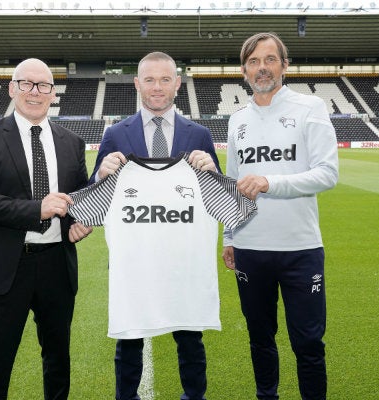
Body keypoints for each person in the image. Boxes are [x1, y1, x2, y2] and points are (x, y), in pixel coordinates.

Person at [0, 58, 92, 400]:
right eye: (27, 84)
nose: (35, 92)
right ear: (12, 88)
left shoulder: (72, 142)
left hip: (56, 264)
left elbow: (76, 198)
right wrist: (37, 209)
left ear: (53, 92)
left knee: (58, 358)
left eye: (43, 85)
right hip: (2, 267)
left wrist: (80, 222)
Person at [89, 51, 220, 400]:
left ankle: (195, 396)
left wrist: (212, 171)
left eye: (165, 79)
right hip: (135, 258)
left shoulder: (200, 135)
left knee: (190, 338)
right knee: (129, 339)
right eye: (149, 79)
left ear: (177, 83)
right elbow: (94, 201)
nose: (157, 87)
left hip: (183, 257)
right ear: (137, 84)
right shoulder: (116, 134)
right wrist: (101, 174)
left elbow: (217, 199)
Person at [221, 32, 339, 400]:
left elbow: (327, 173)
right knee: (260, 337)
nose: (262, 68)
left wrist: (270, 182)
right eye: (254, 61)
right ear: (244, 70)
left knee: (308, 342)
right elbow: (232, 185)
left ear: (284, 65)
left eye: (269, 59)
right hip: (250, 249)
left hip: (300, 249)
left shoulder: (310, 109)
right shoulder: (237, 119)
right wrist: (229, 238)